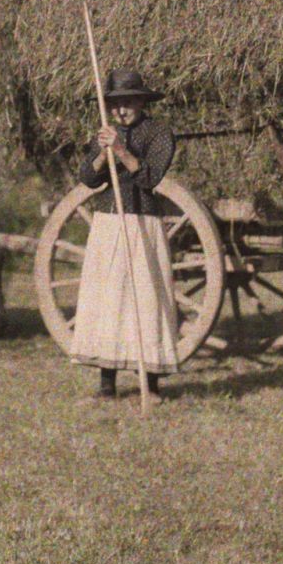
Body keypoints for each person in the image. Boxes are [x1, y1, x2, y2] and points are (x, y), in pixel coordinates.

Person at [70, 68, 181, 401]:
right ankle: (107, 384)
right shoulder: (105, 134)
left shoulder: (160, 134)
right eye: (115, 105)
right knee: (108, 299)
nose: (121, 111)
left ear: (142, 102)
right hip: (109, 222)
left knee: (145, 300)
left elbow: (149, 178)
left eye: (128, 103)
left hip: (143, 222)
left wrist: (121, 151)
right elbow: (88, 178)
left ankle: (152, 384)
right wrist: (104, 154)